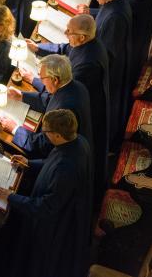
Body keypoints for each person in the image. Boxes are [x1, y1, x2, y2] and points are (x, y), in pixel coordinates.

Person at [0, 109, 92, 277]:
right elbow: (51, 161)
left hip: (48, 228)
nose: (45, 135)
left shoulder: (66, 168)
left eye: (46, 133)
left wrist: (11, 197)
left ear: (58, 135)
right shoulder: (77, 140)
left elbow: (46, 207)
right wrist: (29, 163)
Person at [21, 14, 109, 201]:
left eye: (70, 31)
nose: (66, 33)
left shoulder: (86, 65)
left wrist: (15, 129)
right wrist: (38, 48)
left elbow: (45, 142)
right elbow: (65, 49)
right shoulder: (75, 73)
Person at [3, 54, 94, 161]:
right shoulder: (76, 86)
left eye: (42, 78)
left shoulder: (65, 109)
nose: (41, 81)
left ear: (55, 80)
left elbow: (44, 144)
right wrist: (22, 96)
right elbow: (50, 99)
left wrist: (15, 129)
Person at [82, 0, 132, 145]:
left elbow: (108, 52)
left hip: (110, 71)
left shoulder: (115, 17)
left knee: (107, 107)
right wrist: (90, 12)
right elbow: (105, 12)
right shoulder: (114, 3)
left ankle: (108, 141)